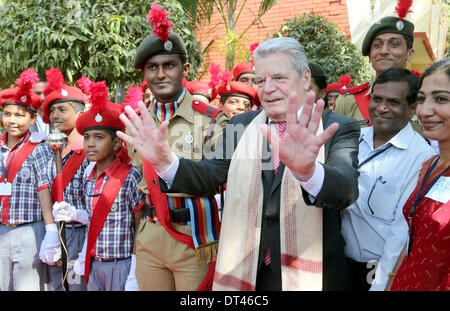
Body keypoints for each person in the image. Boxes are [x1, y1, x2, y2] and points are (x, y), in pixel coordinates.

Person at [118, 36, 361, 291]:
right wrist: (167, 164)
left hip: (316, 274)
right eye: (260, 80)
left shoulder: (337, 127)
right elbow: (210, 175)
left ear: (304, 77)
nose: (267, 88)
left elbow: (345, 190)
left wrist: (309, 173)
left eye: (278, 78)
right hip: (249, 272)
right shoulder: (242, 126)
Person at [123, 3, 228, 291]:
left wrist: (169, 165)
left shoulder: (210, 117)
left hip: (194, 236)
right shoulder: (138, 120)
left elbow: (218, 176)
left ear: (185, 68)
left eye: (169, 65)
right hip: (150, 234)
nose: (160, 75)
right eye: (152, 68)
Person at [340, 68, 436, 291]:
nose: (382, 108)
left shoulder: (422, 157)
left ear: (412, 108)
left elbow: (400, 232)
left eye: (393, 102)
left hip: (375, 272)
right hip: (338, 264)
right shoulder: (352, 137)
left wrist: (381, 284)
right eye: (377, 99)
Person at [61, 81, 145, 291]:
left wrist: (135, 268)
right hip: (94, 261)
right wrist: (74, 213)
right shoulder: (88, 176)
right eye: (87, 137)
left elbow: (139, 224)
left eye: (99, 137)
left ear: (117, 143)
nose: (90, 143)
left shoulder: (129, 176)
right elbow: (93, 217)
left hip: (121, 263)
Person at [388, 58, 450, 291]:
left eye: (441, 99)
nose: (424, 111)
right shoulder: (429, 164)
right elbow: (416, 236)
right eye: (422, 99)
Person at [0, 68, 54, 290]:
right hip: (2, 228)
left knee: (28, 285)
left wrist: (50, 231)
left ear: (33, 118)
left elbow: (44, 192)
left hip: (29, 230)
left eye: (20, 115)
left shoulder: (39, 149)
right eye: (7, 114)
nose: (12, 120)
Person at [37, 68, 91, 291]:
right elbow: (43, 189)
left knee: (79, 287)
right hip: (55, 231)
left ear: (79, 114)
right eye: (52, 111)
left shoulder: (91, 150)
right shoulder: (47, 149)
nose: (55, 116)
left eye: (62, 109)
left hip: (82, 232)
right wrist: (50, 232)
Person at [334, 0, 415, 128]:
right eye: (377, 45)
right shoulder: (348, 102)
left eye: (394, 44)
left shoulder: (422, 100)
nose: (384, 51)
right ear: (370, 56)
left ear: (410, 54)